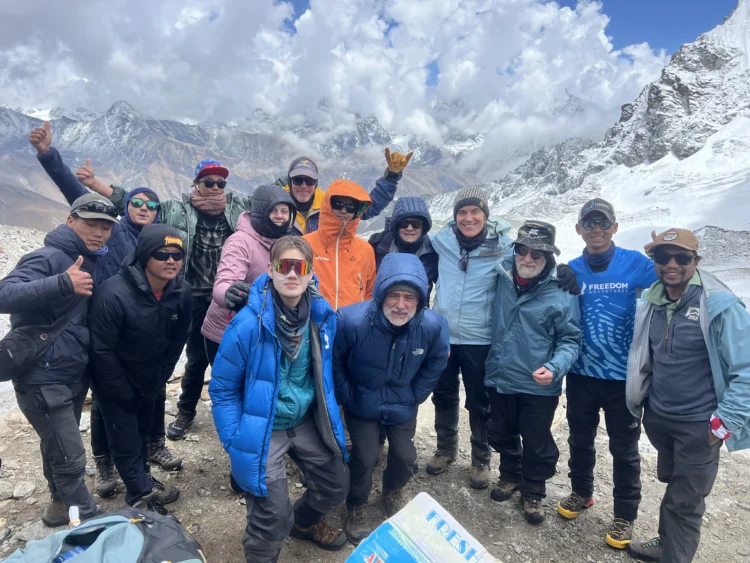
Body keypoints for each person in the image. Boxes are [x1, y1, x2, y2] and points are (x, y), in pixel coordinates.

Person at [28, 122, 182, 492]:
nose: (144, 208)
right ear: (124, 208)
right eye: (137, 202)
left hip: (141, 328)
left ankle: (150, 448)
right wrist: (49, 157)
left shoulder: (157, 239)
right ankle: (106, 462)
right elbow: (75, 195)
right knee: (106, 397)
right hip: (103, 325)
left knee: (150, 390)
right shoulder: (110, 232)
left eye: (152, 204)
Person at [209, 236, 349, 562]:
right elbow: (223, 389)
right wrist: (235, 439)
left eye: (300, 267)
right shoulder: (248, 324)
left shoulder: (321, 319)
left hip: (303, 420)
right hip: (263, 426)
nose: (291, 274)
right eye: (283, 266)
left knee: (335, 485)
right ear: (270, 271)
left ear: (310, 274)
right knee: (272, 515)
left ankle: (302, 523)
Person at [95, 160, 253, 441]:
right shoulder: (177, 211)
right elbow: (137, 204)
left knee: (233, 356)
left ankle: (233, 411)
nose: (215, 187)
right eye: (209, 182)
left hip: (229, 297)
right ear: (196, 184)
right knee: (195, 358)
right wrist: (96, 185)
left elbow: (273, 202)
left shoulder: (237, 209)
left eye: (220, 183)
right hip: (192, 295)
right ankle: (186, 410)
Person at [626, 228, 750, 562]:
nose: (671, 265)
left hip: (700, 425)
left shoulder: (719, 305)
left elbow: (747, 371)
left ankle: (674, 555)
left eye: (682, 258)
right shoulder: (652, 301)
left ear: (696, 261)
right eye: (663, 257)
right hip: (661, 418)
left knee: (687, 500)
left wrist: (722, 426)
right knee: (675, 485)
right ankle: (667, 543)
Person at [0, 193, 117, 526]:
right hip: (41, 376)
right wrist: (62, 283)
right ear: (70, 221)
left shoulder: (94, 258)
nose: (99, 232)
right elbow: (3, 294)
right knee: (70, 456)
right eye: (90, 224)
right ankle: (94, 524)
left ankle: (58, 508)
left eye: (105, 227)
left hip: (70, 373)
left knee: (57, 444)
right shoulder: (48, 257)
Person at [556, 198, 657, 548]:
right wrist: (555, 276)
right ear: (579, 229)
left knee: (625, 449)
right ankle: (581, 492)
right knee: (579, 440)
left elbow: (674, 276)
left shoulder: (636, 264)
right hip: (582, 374)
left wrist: (663, 253)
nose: (596, 229)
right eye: (589, 223)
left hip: (624, 377)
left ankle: (625, 515)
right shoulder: (572, 268)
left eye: (603, 223)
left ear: (615, 227)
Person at [333, 253, 450, 544]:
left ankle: (392, 491)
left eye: (409, 298)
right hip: (361, 402)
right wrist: (348, 396)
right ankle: (356, 504)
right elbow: (334, 362)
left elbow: (436, 362)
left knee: (404, 455)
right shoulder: (350, 321)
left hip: (402, 403)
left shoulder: (433, 327)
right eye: (393, 296)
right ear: (381, 295)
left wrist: (416, 394)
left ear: (421, 301)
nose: (400, 305)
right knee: (365, 455)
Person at [88, 225, 192, 514]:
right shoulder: (113, 293)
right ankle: (140, 494)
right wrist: (120, 390)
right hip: (114, 380)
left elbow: (178, 338)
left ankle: (141, 478)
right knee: (125, 437)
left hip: (151, 378)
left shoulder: (181, 292)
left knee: (143, 433)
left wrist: (160, 377)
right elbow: (101, 349)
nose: (171, 261)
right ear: (144, 257)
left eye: (177, 255)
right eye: (162, 254)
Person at [484, 221, 582, 525]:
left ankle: (533, 490)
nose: (528, 258)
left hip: (538, 384)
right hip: (501, 375)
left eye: (537, 254)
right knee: (500, 431)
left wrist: (555, 368)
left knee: (537, 440)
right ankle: (510, 475)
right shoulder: (501, 272)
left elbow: (570, 339)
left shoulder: (561, 290)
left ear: (549, 257)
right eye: (522, 251)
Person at [201, 185, 296, 364]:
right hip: (227, 332)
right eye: (273, 210)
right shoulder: (240, 241)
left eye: (285, 211)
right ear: (260, 211)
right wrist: (231, 293)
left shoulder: (285, 243)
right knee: (229, 389)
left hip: (263, 330)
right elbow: (224, 281)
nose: (280, 216)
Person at [283, 149, 412, 235]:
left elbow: (371, 206)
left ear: (316, 183)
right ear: (290, 181)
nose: (304, 186)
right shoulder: (276, 206)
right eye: (298, 180)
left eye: (309, 181)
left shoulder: (330, 203)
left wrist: (391, 177)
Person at [302, 180, 377, 310]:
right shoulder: (304, 245)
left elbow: (369, 293)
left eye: (350, 207)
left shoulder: (366, 250)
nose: (343, 210)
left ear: (357, 211)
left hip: (351, 326)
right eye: (338, 204)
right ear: (327, 205)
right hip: (313, 324)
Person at [368, 196, 439, 299]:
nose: (409, 228)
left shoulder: (433, 253)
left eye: (416, 224)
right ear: (396, 226)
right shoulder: (377, 248)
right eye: (404, 223)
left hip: (418, 312)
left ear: (423, 227)